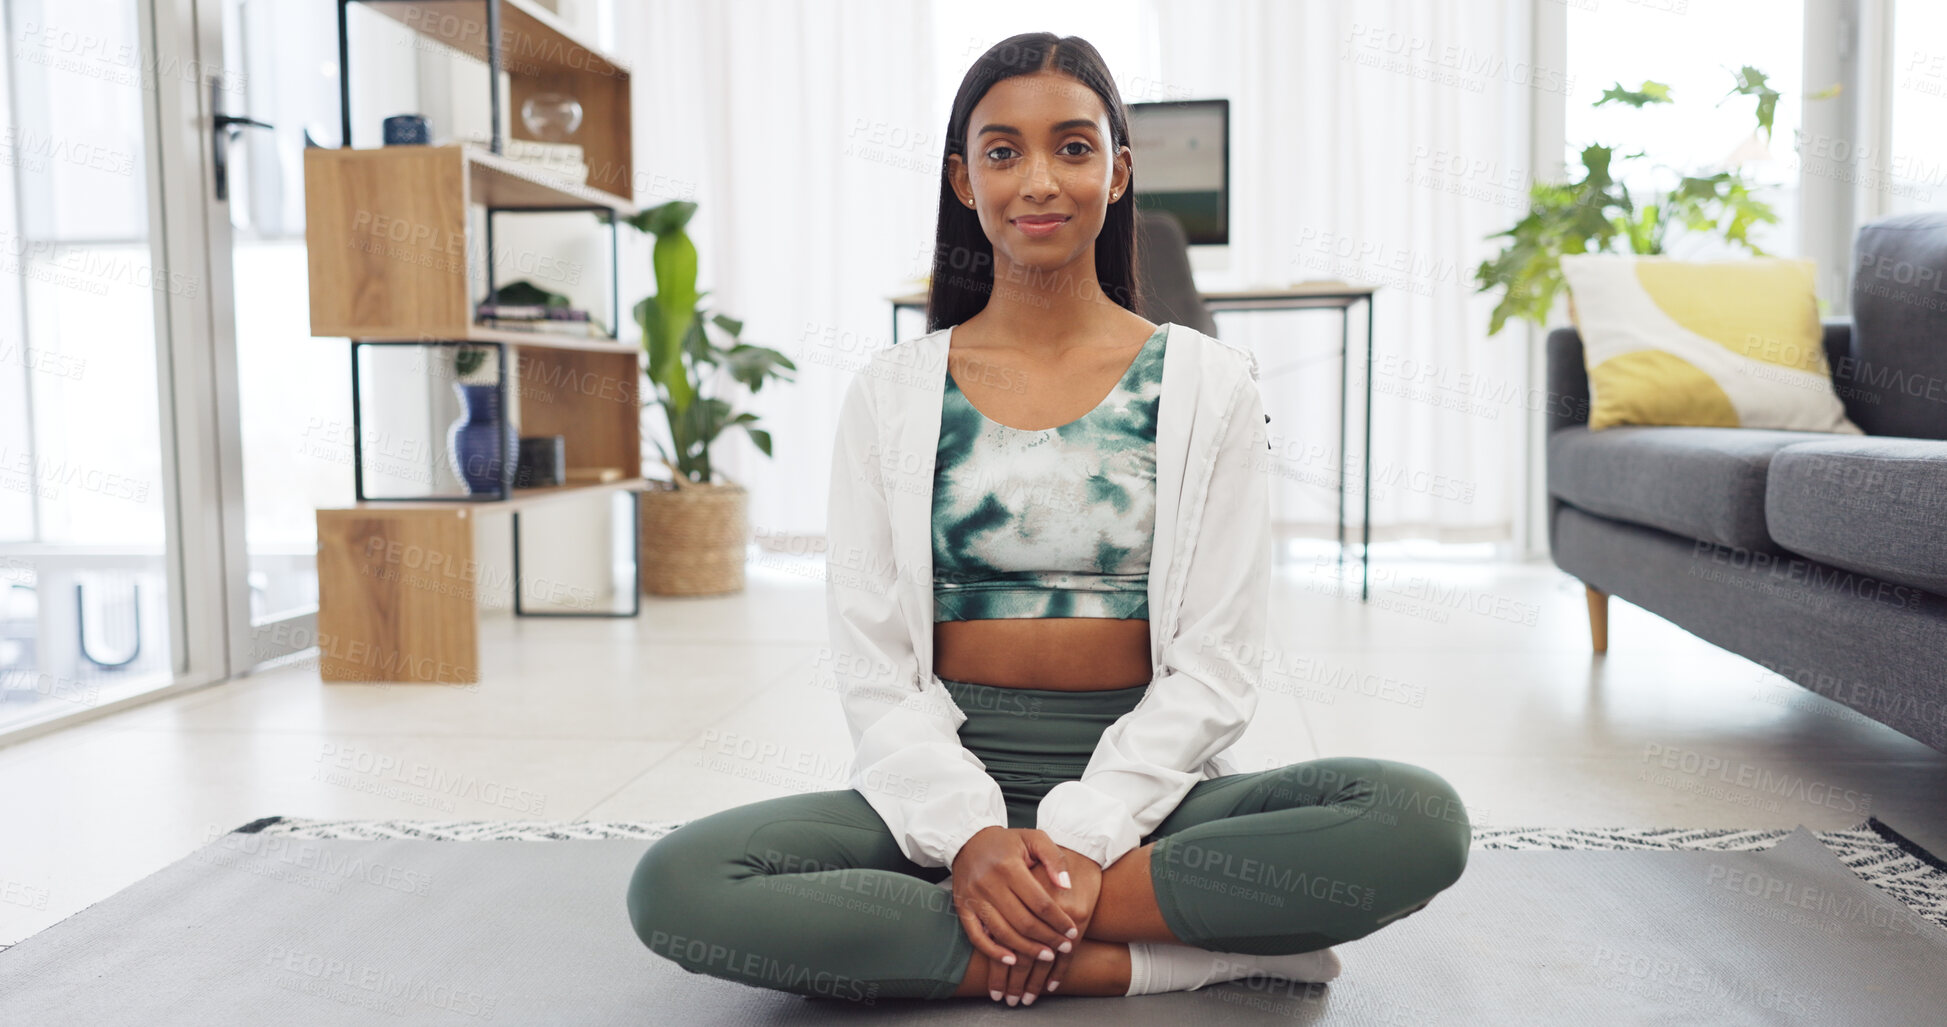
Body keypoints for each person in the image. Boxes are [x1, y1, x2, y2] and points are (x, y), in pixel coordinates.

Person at [626, 31, 1470, 1008]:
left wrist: (1083, 834)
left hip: (1153, 788)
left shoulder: (1209, 383)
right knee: (681, 884)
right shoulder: (893, 392)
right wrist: (974, 836)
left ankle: (995, 930)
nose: (1038, 179)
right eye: (1002, 151)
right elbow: (872, 661)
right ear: (963, 178)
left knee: (1415, 817)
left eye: (1072, 148)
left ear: (1118, 172)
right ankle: (1157, 951)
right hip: (941, 783)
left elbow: (1218, 665)